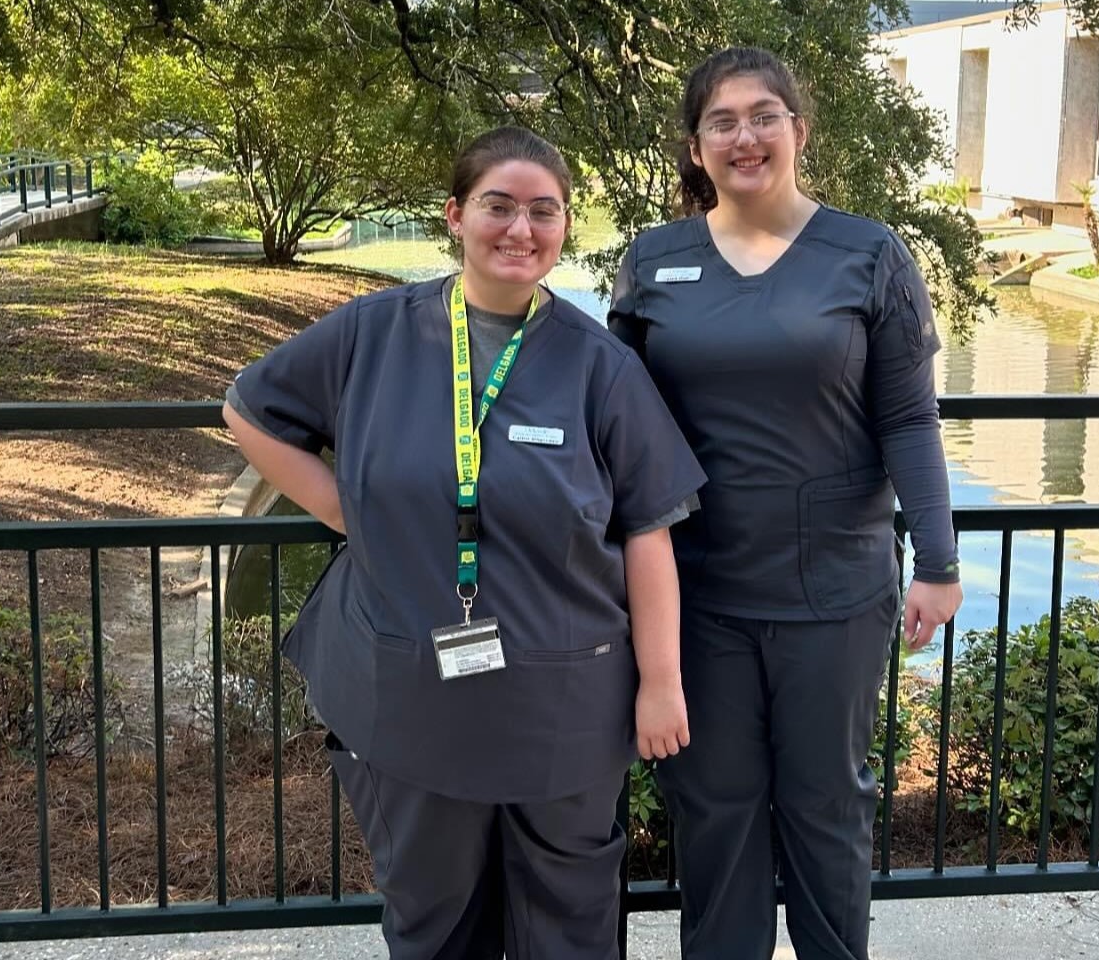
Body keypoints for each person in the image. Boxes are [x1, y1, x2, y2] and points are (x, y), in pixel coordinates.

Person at [223, 125, 706, 960]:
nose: (520, 229)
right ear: (454, 215)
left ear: (563, 229)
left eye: (543, 212)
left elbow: (648, 532)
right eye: (499, 206)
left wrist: (661, 682)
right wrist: (345, 509)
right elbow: (247, 411)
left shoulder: (601, 367)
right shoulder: (370, 335)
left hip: (565, 708)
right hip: (411, 700)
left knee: (574, 926)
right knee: (434, 922)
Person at [608, 47, 964, 960]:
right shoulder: (653, 260)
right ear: (695, 148)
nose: (745, 136)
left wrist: (939, 562)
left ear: (799, 131)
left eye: (764, 115)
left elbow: (909, 418)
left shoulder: (869, 254)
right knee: (714, 811)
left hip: (834, 594)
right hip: (697, 597)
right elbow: (613, 424)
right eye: (721, 122)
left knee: (826, 807)